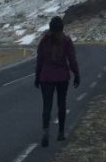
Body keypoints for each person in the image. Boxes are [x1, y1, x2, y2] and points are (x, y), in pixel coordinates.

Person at [34, 16, 80, 145]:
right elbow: (72, 59)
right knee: (62, 104)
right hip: (62, 77)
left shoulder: (44, 41)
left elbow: (39, 61)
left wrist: (37, 77)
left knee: (47, 105)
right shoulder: (66, 41)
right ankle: (60, 133)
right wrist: (76, 74)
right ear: (62, 28)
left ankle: (46, 132)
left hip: (46, 77)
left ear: (50, 27)